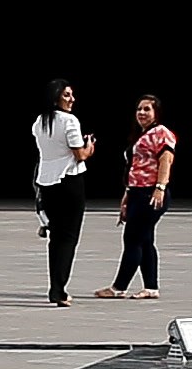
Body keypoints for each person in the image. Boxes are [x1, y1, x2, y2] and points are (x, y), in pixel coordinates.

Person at [107, 94, 178, 299]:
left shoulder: (161, 133)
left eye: (147, 109)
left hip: (150, 192)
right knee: (145, 240)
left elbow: (166, 160)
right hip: (137, 192)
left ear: (156, 113)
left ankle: (118, 287)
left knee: (132, 238)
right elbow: (135, 168)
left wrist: (160, 187)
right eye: (139, 109)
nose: (142, 113)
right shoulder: (140, 135)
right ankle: (151, 287)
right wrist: (127, 195)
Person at [30, 81, 94, 305]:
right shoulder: (69, 121)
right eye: (67, 95)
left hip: (47, 181)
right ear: (56, 97)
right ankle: (59, 289)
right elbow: (79, 155)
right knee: (68, 238)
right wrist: (90, 147)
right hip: (69, 181)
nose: (72, 99)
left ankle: (55, 287)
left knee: (55, 238)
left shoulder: (39, 121)